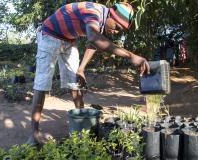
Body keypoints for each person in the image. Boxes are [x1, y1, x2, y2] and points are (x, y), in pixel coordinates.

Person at [26, 1, 150, 145]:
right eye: (117, 27)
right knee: (42, 83)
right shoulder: (94, 12)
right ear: (111, 15)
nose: (116, 32)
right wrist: (130, 56)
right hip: (49, 34)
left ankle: (82, 125)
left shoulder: (103, 20)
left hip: (69, 41)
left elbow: (93, 44)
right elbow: (94, 38)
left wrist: (81, 69)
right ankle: (34, 134)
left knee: (75, 83)